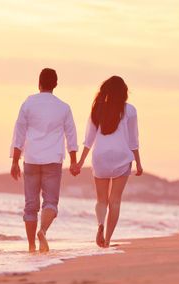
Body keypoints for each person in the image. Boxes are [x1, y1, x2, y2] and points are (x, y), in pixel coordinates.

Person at [10, 68, 79, 253]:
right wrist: (73, 160)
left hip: (31, 158)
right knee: (50, 203)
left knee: (30, 206)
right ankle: (43, 231)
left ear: (38, 83)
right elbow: (71, 134)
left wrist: (15, 161)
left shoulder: (28, 103)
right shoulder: (64, 107)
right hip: (53, 160)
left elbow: (19, 133)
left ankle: (31, 246)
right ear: (55, 84)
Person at [75, 76, 143, 248]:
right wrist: (138, 162)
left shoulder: (97, 110)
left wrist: (81, 162)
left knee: (101, 200)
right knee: (115, 201)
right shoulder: (130, 110)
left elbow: (88, 140)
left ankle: (100, 224)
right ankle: (107, 239)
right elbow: (133, 140)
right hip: (122, 156)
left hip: (100, 157)